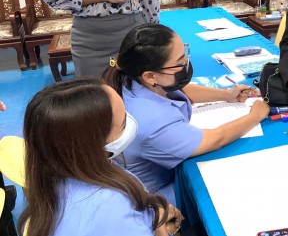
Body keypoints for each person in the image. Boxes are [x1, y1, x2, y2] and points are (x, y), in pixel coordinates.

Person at [103, 23, 270, 205]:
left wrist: (226, 94)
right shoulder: (152, 122)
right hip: (154, 193)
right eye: (180, 62)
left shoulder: (132, 78)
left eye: (185, 54)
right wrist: (255, 116)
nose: (186, 64)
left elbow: (180, 90)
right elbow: (216, 139)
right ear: (150, 76)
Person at [17, 78, 182, 236]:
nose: (131, 122)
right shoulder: (111, 209)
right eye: (123, 123)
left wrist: (152, 215)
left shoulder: (52, 180)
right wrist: (162, 229)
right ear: (92, 144)